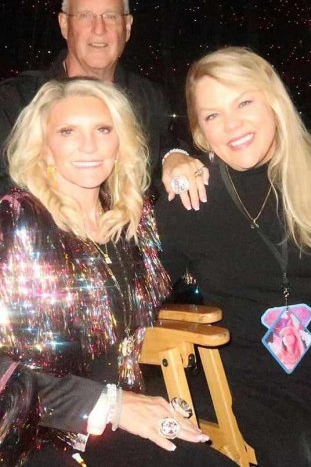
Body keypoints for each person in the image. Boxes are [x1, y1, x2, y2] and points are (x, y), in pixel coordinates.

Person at [155, 47, 311, 466]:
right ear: (199, 132)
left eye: (244, 102)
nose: (231, 124)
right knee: (305, 453)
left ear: (273, 99)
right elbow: (136, 287)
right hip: (266, 380)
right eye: (213, 115)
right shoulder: (191, 204)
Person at [0, 80, 230, 465]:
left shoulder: (130, 223)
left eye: (103, 130)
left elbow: (212, 239)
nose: (89, 146)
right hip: (32, 431)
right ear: (43, 147)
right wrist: (111, 405)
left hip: (117, 424)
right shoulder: (15, 222)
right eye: (68, 131)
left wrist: (185, 165)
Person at [0, 0, 207, 209]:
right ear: (64, 24)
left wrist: (174, 156)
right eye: (86, 16)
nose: (99, 29)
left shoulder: (148, 98)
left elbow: (168, 143)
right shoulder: (15, 102)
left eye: (110, 16)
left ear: (127, 27)